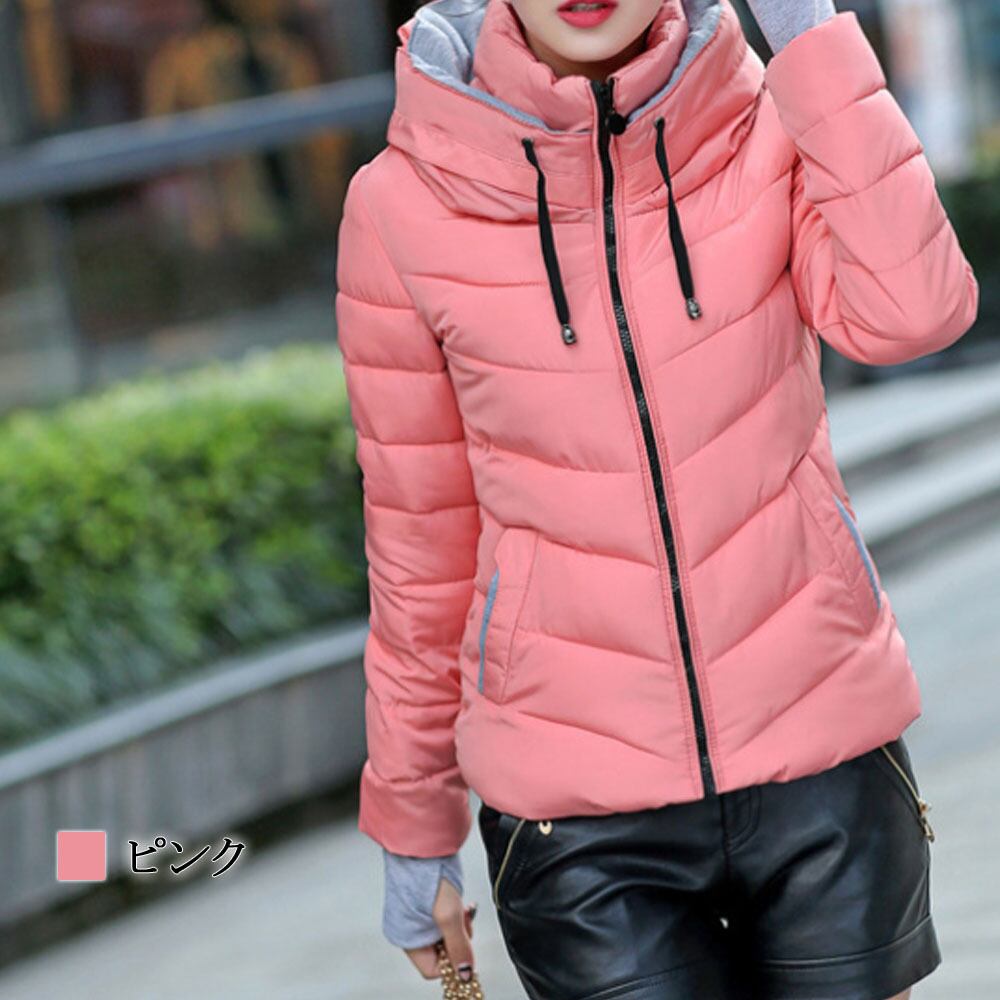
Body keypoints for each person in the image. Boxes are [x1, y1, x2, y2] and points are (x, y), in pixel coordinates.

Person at [334, 0, 979, 996]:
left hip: (821, 752)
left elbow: (917, 312)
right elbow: (419, 549)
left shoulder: (768, 121)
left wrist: (809, 37)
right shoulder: (400, 206)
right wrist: (415, 822)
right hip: (575, 821)